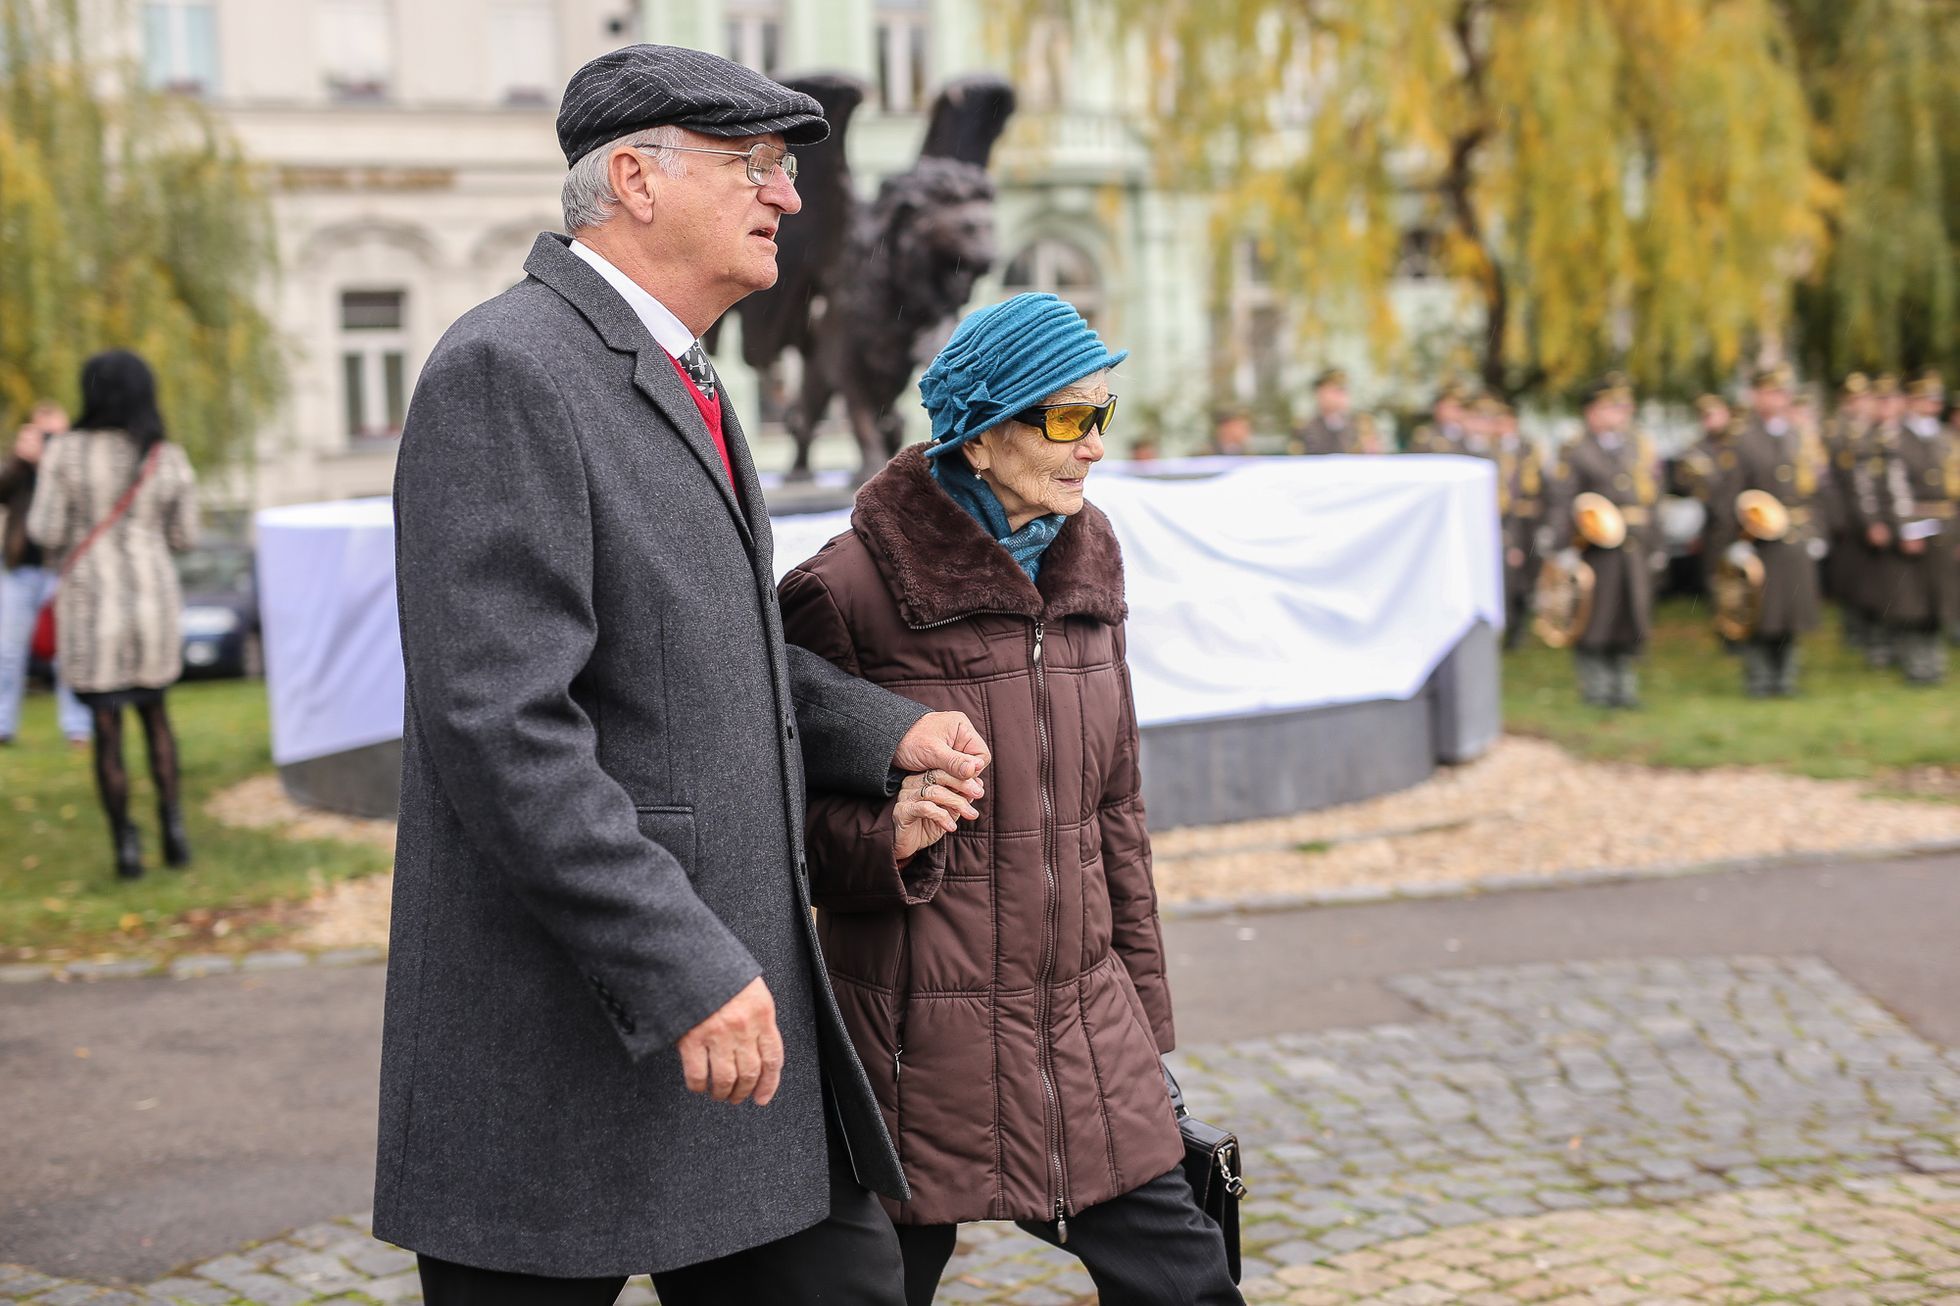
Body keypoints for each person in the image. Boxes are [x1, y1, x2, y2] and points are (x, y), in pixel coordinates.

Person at [376, 45, 992, 1305]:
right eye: (755, 164)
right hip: (575, 1034)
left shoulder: (684, 369)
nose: (790, 197)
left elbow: (706, 640)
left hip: (733, 1026)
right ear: (633, 178)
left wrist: (883, 733)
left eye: (784, 165)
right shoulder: (508, 368)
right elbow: (503, 726)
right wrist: (682, 966)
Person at [779, 293, 1243, 1306]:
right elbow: (767, 821)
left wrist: (1142, 1015)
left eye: (1102, 417)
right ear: (983, 437)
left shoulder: (1092, 555)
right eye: (1070, 419)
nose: (1093, 448)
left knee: (1189, 1279)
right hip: (911, 1040)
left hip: (1081, 1025)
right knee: (872, 1292)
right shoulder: (846, 589)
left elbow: (1115, 806)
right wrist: (881, 838)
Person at [25, 352, 199, 877]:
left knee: (106, 726)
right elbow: (185, 537)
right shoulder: (164, 455)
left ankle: (126, 845)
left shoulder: (66, 454)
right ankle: (174, 831)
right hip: (151, 603)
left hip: (92, 606)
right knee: (156, 717)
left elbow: (45, 531)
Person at [1710, 365, 1826, 697]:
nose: (1776, 399)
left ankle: (1786, 679)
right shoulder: (1742, 438)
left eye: (1781, 393)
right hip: (1758, 540)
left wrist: (1816, 532)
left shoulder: (1798, 436)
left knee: (1791, 614)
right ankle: (1759, 680)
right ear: (1756, 396)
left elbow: (1812, 491)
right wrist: (1736, 540)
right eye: (1769, 392)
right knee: (1760, 615)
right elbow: (1728, 496)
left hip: (1795, 538)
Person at [1546, 377, 1660, 707]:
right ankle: (1596, 689)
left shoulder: (1638, 447)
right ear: (1591, 412)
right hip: (1594, 550)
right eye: (1612, 407)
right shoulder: (1576, 450)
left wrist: (1656, 545)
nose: (1621, 414)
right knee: (1594, 619)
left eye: (1623, 407)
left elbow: (1651, 501)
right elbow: (1562, 501)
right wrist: (1562, 546)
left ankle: (1624, 689)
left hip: (1633, 548)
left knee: (1628, 618)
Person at [0, 401, 92, 746]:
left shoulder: (75, 463)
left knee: (67, 652)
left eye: (55, 434)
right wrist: (19, 458)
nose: (49, 441)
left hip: (62, 570)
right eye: (43, 434)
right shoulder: (19, 469)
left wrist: (53, 461)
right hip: (21, 568)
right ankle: (3, 726)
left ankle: (77, 728)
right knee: (7, 652)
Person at [1859, 370, 1957, 683]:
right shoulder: (1896, 439)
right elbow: (1894, 485)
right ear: (1912, 401)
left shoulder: (1946, 439)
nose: (1932, 404)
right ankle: (1916, 666)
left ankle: (1935, 665)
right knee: (1912, 604)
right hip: (1914, 527)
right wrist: (1907, 527)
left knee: (1939, 601)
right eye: (1926, 398)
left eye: (1935, 399)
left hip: (1945, 527)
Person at [1494, 400, 1546, 649]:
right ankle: (1508, 627)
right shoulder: (1492, 450)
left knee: (1528, 575)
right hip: (1507, 521)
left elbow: (1542, 485)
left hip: (1530, 524)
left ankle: (1519, 628)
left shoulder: (1528, 448)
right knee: (1508, 576)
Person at [1290, 367, 1361, 454]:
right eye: (1335, 390)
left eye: (1343, 390)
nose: (1341, 396)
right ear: (1320, 393)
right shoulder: (1305, 428)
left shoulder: (1357, 426)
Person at [1407, 382, 1471, 454]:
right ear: (1437, 409)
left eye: (1457, 407)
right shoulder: (1425, 433)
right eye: (1447, 407)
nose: (1454, 412)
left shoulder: (1467, 432)